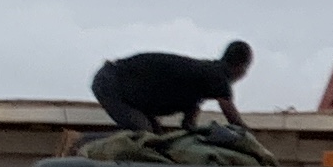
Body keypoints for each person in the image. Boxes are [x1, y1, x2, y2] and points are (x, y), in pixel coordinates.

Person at [90, 40, 255, 139]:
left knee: (156, 139)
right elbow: (233, 118)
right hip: (111, 82)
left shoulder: (198, 85)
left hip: (124, 86)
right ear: (240, 67)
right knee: (143, 134)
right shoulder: (217, 77)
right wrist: (251, 137)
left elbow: (188, 125)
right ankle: (82, 142)